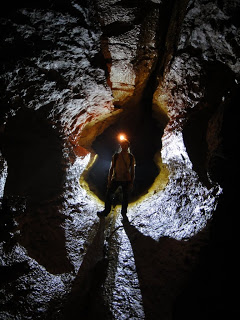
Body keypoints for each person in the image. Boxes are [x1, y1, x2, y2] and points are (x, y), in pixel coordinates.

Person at [97, 137, 136, 218]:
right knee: (109, 194)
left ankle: (124, 214)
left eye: (126, 145)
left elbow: (132, 170)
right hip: (116, 178)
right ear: (121, 146)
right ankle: (106, 211)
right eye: (123, 145)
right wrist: (109, 180)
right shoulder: (116, 156)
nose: (124, 146)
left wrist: (131, 182)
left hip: (126, 180)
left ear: (128, 146)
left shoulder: (131, 157)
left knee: (125, 197)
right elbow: (111, 168)